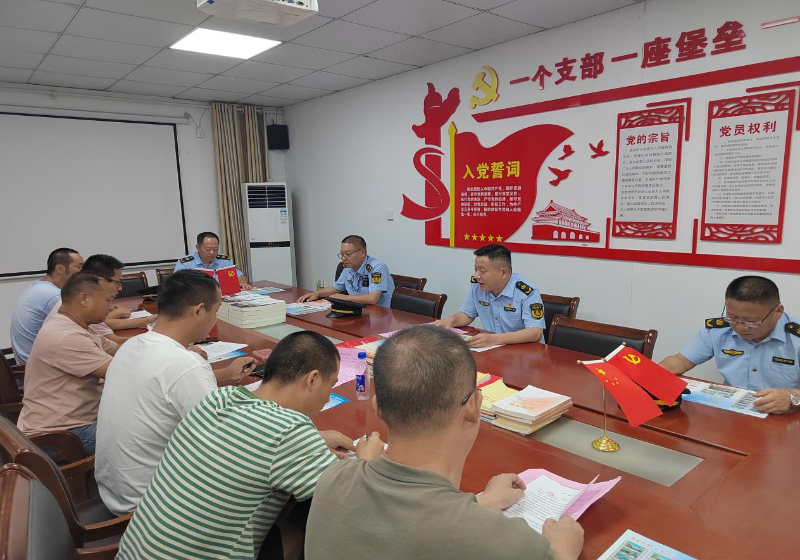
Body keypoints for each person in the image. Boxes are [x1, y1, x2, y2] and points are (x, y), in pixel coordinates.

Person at [305, 326, 584, 560]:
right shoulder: (507, 544)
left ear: (377, 407)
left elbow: (412, 520)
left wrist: (482, 502)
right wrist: (563, 552)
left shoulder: (332, 479)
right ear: (475, 405)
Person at [116, 331, 386, 560]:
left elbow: (253, 442)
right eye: (330, 385)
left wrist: (313, 439)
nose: (328, 395)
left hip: (133, 552)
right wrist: (367, 463)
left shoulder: (219, 398)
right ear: (312, 379)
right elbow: (355, 504)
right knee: (310, 519)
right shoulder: (289, 431)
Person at [95, 270, 257, 516]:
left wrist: (224, 375)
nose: (215, 318)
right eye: (216, 310)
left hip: (115, 491)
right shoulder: (185, 364)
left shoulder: (132, 345)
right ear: (199, 311)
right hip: (152, 506)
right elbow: (226, 445)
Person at [660, 275, 800, 415]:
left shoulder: (796, 337)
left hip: (785, 417)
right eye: (733, 318)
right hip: (732, 412)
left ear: (778, 312)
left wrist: (792, 397)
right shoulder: (719, 329)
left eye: (750, 321)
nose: (740, 327)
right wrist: (653, 375)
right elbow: (682, 361)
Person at [17, 272, 119, 455]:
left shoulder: (74, 325)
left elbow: (119, 349)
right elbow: (125, 374)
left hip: (68, 423)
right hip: (59, 436)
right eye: (108, 300)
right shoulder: (67, 336)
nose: (112, 307)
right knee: (146, 433)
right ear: (85, 299)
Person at [433, 244, 545, 348]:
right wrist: (449, 321)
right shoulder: (478, 287)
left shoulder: (526, 292)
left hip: (525, 353)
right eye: (475, 269)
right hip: (493, 348)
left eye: (482, 271)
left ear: (503, 272)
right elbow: (467, 314)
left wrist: (494, 339)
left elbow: (535, 332)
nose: (476, 276)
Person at [47, 254, 157, 345]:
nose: (120, 288)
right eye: (117, 282)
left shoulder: (74, 299)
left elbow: (108, 343)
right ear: (99, 280)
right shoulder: (86, 308)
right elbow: (115, 343)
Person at [9, 248, 84, 364]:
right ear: (60, 269)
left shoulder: (39, 286)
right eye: (79, 267)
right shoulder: (53, 295)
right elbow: (86, 324)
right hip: (38, 366)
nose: (84, 273)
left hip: (29, 360)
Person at [296, 235, 395, 307]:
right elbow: (336, 288)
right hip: (358, 310)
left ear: (362, 252)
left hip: (379, 315)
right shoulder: (348, 267)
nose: (343, 258)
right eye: (342, 254)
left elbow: (373, 298)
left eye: (348, 254)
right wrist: (317, 294)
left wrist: (344, 298)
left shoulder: (376, 267)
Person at [174, 231, 253, 290]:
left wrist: (242, 282)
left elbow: (240, 276)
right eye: (208, 249)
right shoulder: (185, 263)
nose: (212, 252)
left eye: (215, 249)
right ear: (198, 247)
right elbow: (176, 285)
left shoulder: (225, 261)